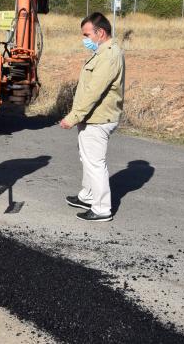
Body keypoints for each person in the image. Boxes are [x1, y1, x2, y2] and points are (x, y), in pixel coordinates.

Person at [59, 12, 125, 222]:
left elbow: (94, 91)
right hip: (93, 117)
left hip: (98, 118)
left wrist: (74, 116)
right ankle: (87, 196)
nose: (84, 39)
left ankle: (101, 209)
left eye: (87, 35)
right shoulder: (104, 53)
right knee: (86, 159)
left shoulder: (109, 56)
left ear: (101, 33)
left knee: (95, 163)